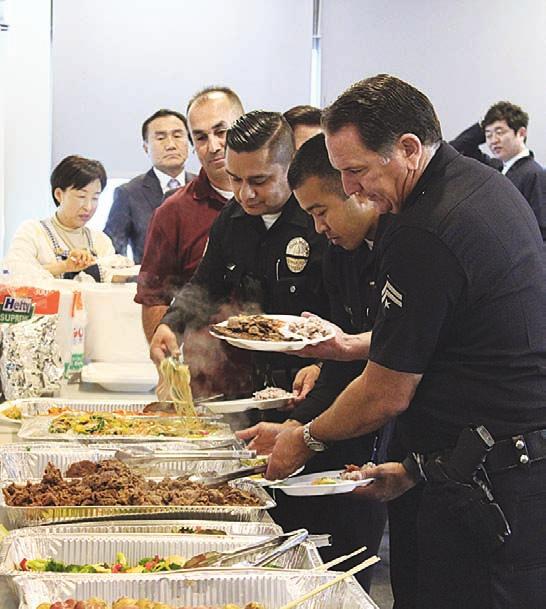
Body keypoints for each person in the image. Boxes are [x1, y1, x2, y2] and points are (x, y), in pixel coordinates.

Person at [265, 74, 546, 609]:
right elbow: (453, 334)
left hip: (492, 483)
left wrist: (306, 438)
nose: (349, 189)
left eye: (355, 171)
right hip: (482, 463)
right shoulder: (476, 183)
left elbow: (385, 393)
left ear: (409, 150)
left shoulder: (426, 228)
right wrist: (416, 467)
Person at [237, 133, 389, 590]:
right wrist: (296, 427)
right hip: (342, 423)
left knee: (350, 565)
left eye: (321, 212)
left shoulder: (405, 246)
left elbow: (391, 364)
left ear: (355, 188)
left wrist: (304, 434)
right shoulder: (341, 253)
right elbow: (341, 358)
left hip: (393, 432)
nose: (317, 228)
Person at [149, 111, 328, 397]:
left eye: (259, 181)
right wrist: (172, 325)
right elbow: (205, 285)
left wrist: (323, 365)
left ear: (291, 166)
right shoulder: (231, 218)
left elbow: (348, 308)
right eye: (235, 179)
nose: (246, 194)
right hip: (252, 383)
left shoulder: (320, 217)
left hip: (315, 382)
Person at [135, 87, 244, 344]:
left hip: (286, 369)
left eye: (221, 132)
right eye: (201, 138)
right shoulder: (172, 213)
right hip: (206, 368)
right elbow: (155, 297)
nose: (214, 146)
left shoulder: (277, 199)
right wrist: (166, 370)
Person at [6, 155, 116, 281]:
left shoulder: (101, 241)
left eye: (95, 198)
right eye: (81, 196)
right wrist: (64, 266)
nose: (88, 206)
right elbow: (14, 275)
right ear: (59, 194)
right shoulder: (33, 232)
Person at [104, 109, 193, 263]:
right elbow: (112, 253)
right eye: (160, 138)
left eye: (178, 136)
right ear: (146, 147)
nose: (171, 145)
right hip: (151, 284)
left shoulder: (204, 186)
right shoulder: (128, 193)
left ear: (190, 142)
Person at [451, 101, 546, 239]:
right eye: (488, 135)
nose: (493, 141)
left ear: (521, 133)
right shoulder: (495, 167)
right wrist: (481, 126)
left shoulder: (535, 174)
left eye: (499, 132)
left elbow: (542, 232)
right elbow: (457, 149)